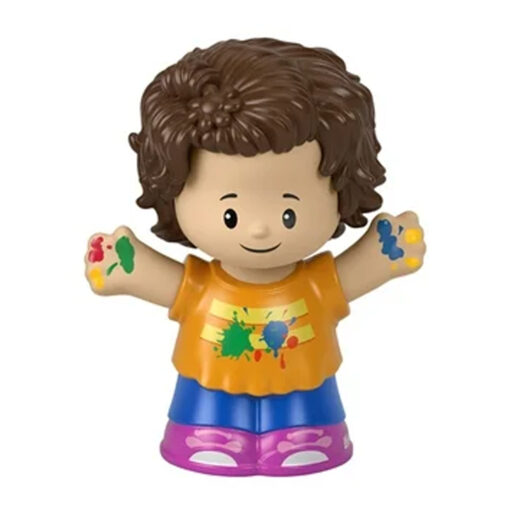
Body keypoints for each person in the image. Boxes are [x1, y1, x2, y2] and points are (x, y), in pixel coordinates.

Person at [84, 38, 426, 476]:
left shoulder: (314, 282)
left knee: (305, 402)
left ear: (342, 188)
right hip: (210, 378)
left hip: (305, 378)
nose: (259, 229)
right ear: (173, 190)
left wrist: (384, 253)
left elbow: (354, 274)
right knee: (209, 402)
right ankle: (208, 433)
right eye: (230, 213)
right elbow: (171, 285)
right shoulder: (206, 285)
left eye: (288, 212)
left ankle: (305, 434)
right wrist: (127, 267)